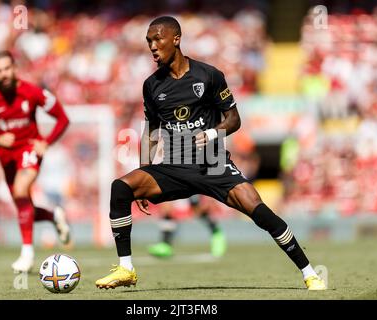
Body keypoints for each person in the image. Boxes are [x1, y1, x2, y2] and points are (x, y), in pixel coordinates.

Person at [95, 16, 326, 290]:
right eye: (149, 42)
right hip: (175, 165)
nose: (153, 47)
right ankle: (126, 269)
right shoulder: (152, 85)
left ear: (176, 39)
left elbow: (234, 119)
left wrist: (214, 133)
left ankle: (309, 272)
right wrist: (145, 171)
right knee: (120, 188)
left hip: (213, 164)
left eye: (158, 39)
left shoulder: (209, 75)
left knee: (260, 211)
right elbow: (152, 132)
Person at [0, 50, 71, 273]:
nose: (4, 74)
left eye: (7, 69)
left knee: (21, 190)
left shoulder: (32, 92)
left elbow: (63, 118)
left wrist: (47, 142)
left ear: (14, 68)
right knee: (23, 208)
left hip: (29, 149)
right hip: (6, 157)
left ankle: (27, 254)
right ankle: (54, 215)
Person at [148, 195, 227, 258]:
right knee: (167, 210)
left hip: (190, 182)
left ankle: (217, 234)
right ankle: (165, 245)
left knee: (199, 210)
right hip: (176, 183)